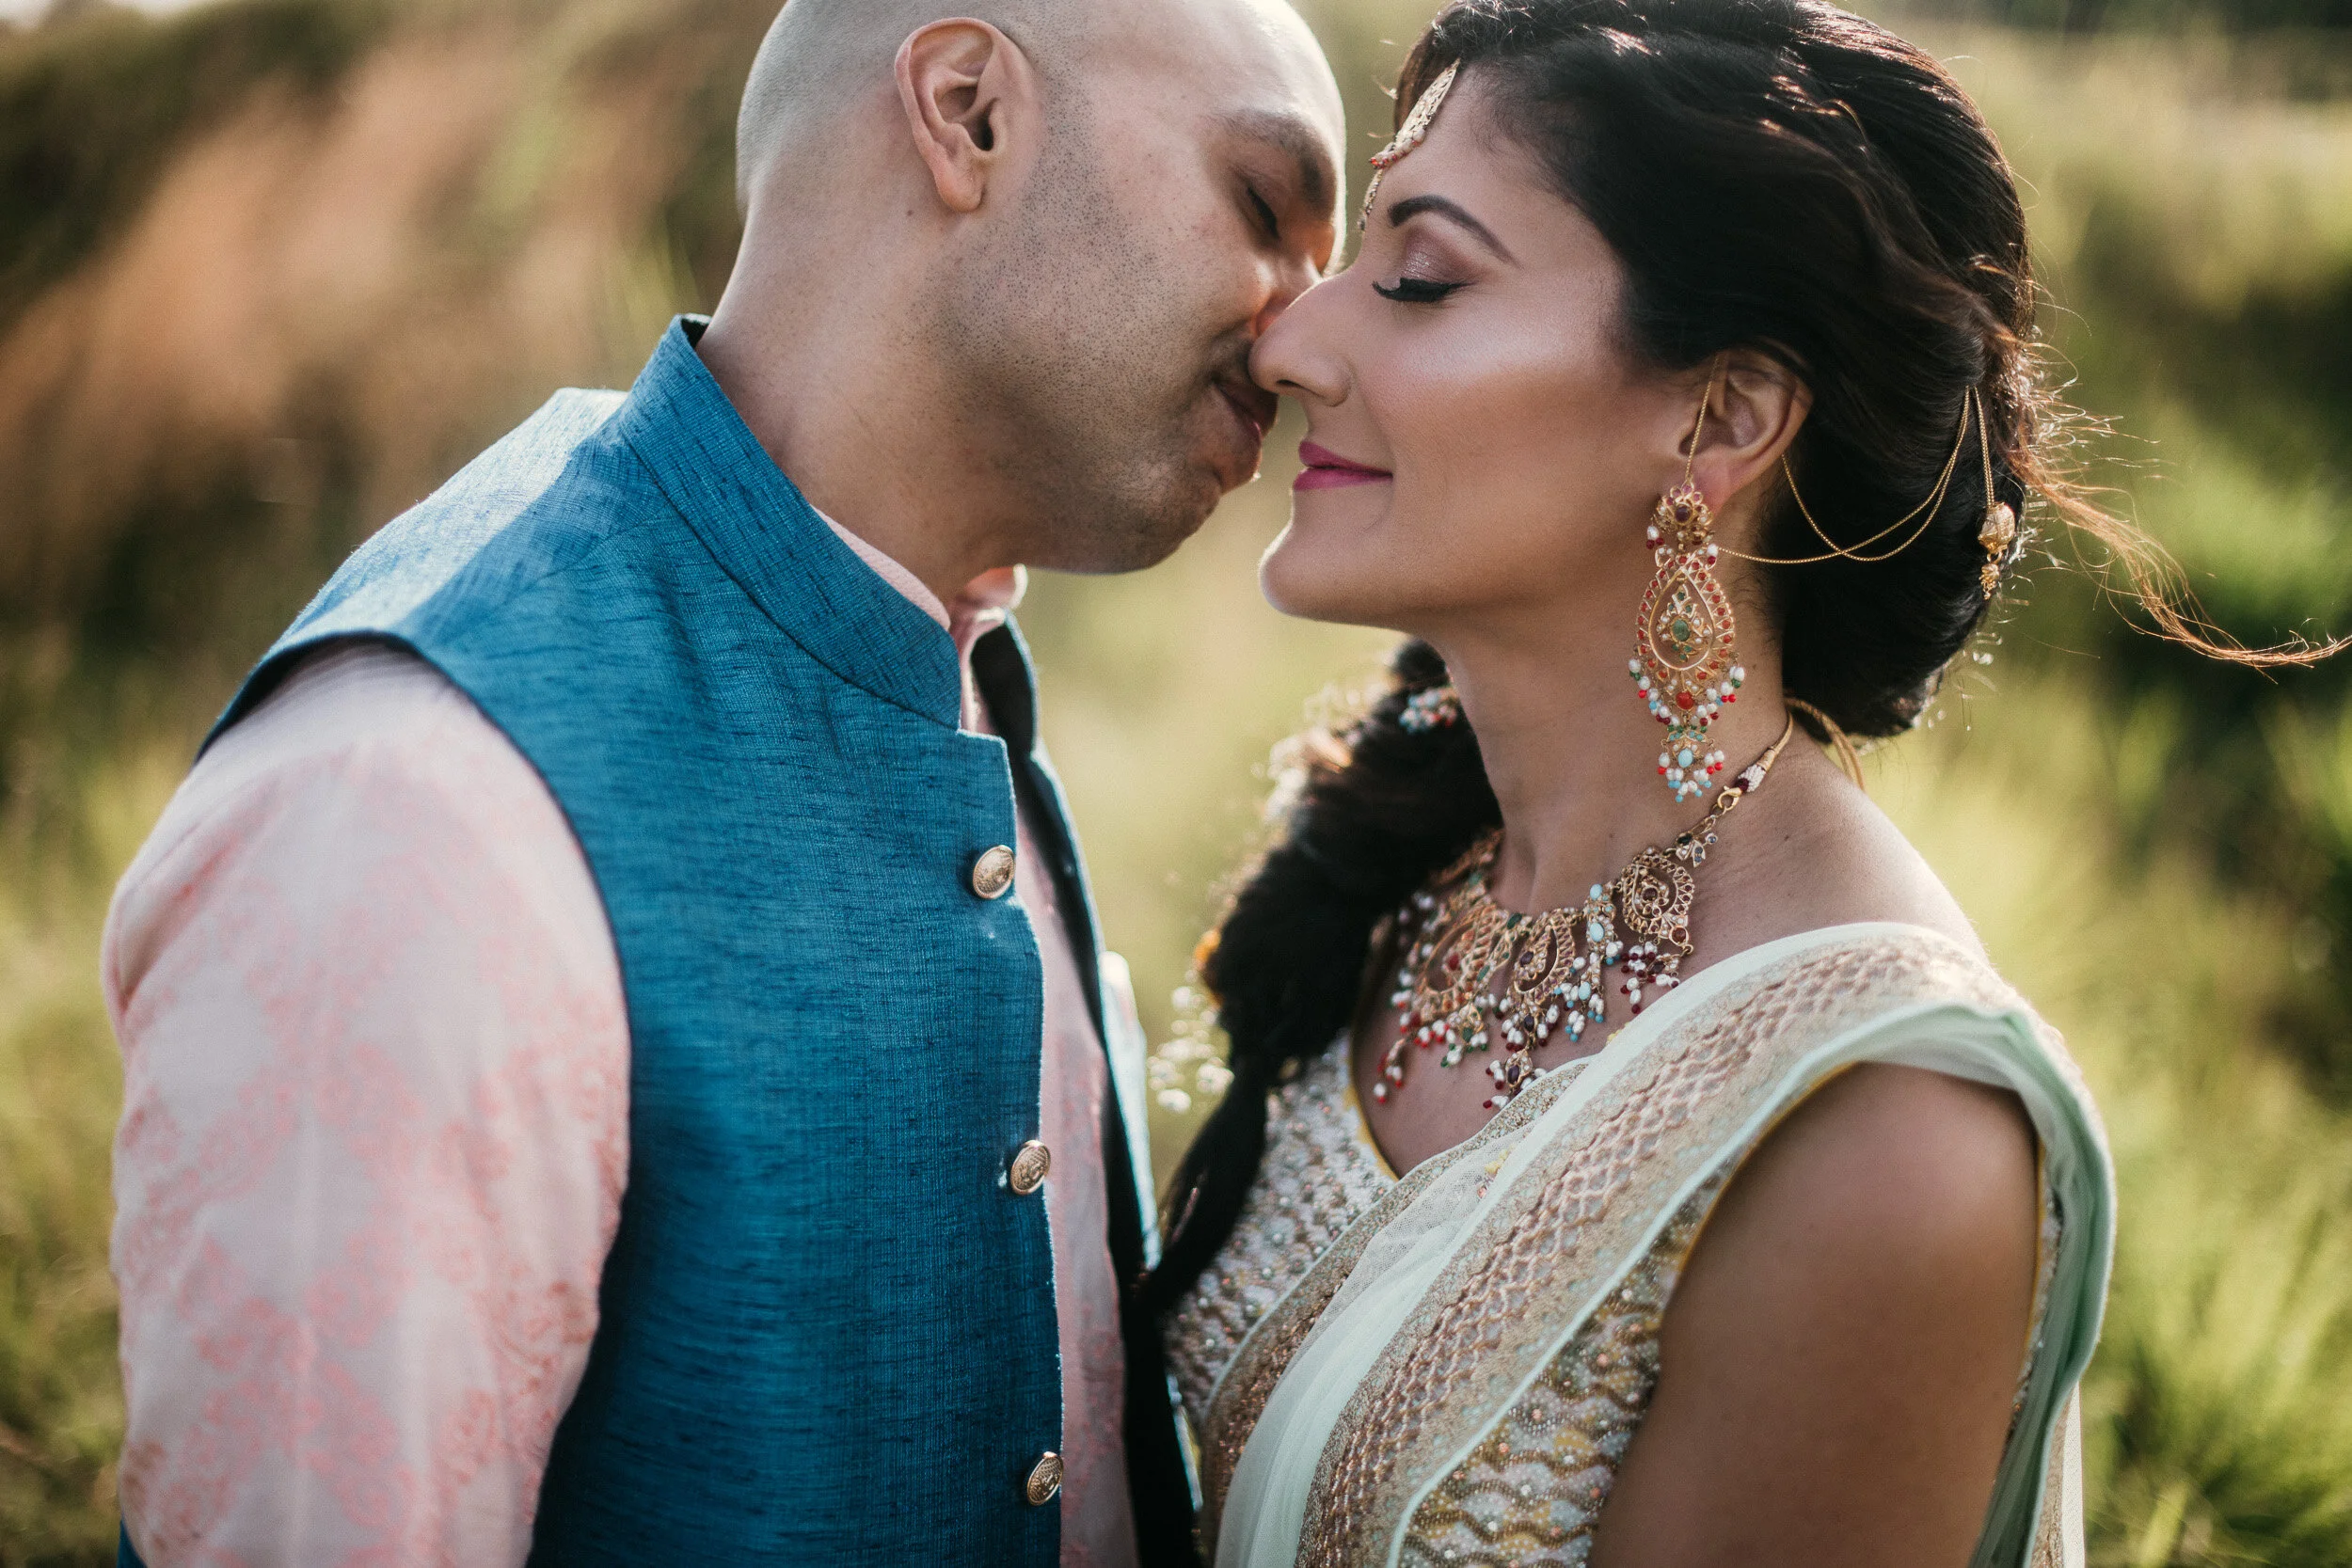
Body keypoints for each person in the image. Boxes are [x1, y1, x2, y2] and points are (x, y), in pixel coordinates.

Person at [102, 1, 1342, 1563]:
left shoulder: (939, 653)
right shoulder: (413, 816)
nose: (1307, 343)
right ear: (969, 111)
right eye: (1264, 207)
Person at [1139, 0, 2311, 1560]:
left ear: (1723, 417)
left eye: (1419, 279)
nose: (1289, 344)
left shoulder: (1881, 1127)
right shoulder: (1423, 859)